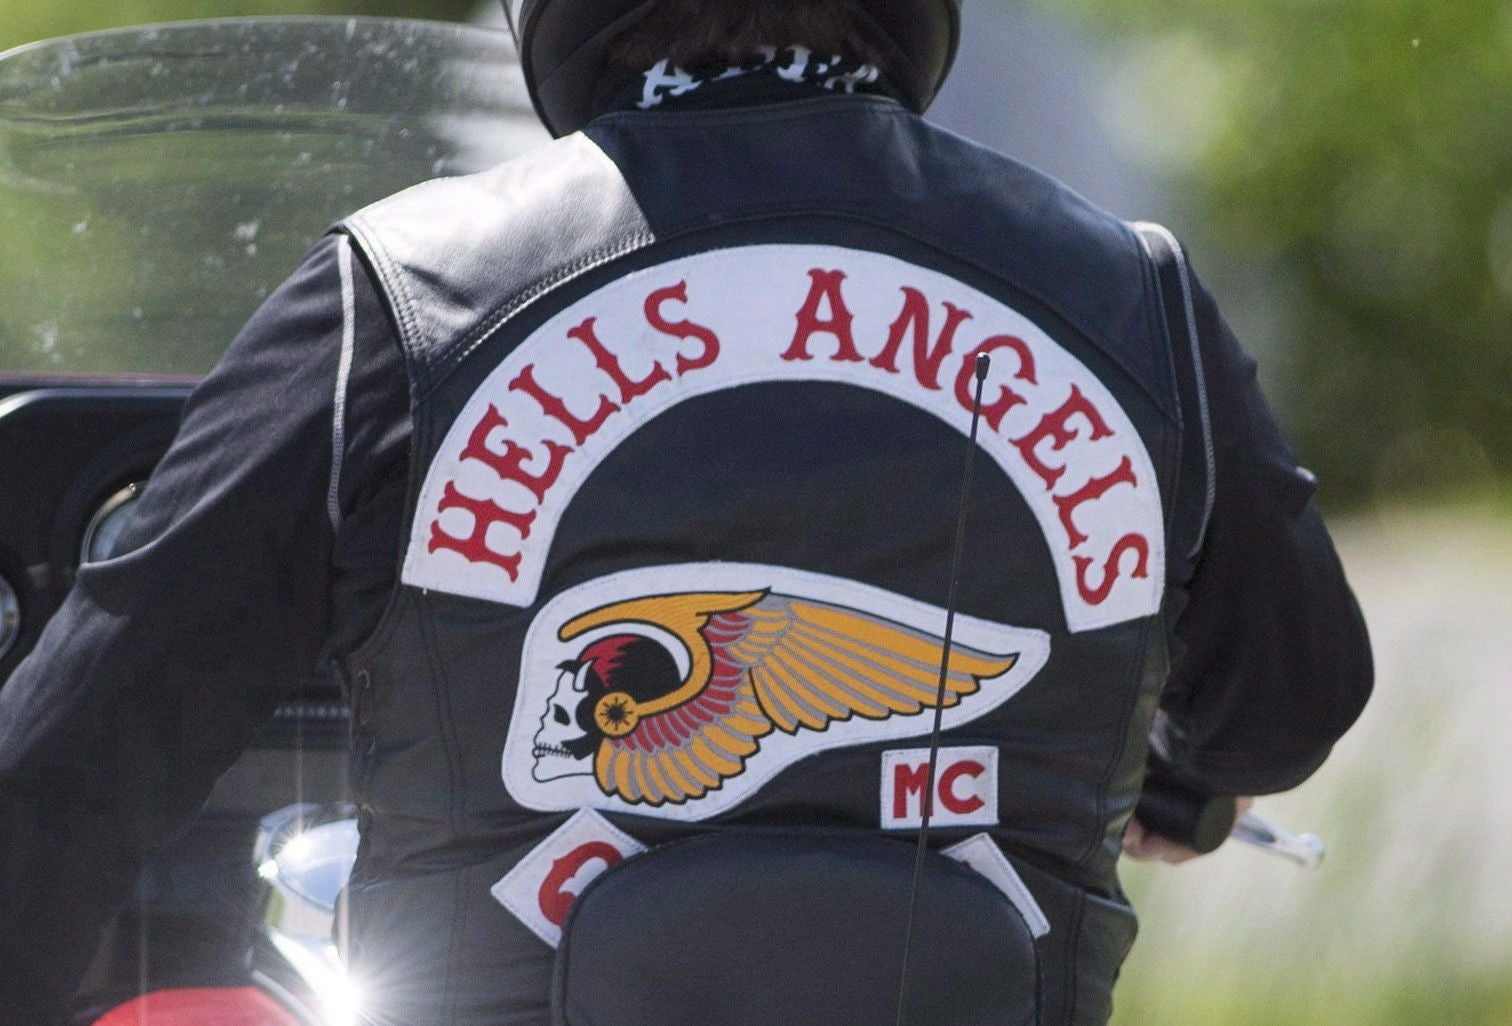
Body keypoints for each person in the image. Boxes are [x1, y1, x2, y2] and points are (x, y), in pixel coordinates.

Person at [0, 0, 1373, 1022]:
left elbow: (63, 776)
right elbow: (1297, 699)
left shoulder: (404, 295)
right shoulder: (1136, 297)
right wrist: (1170, 762)